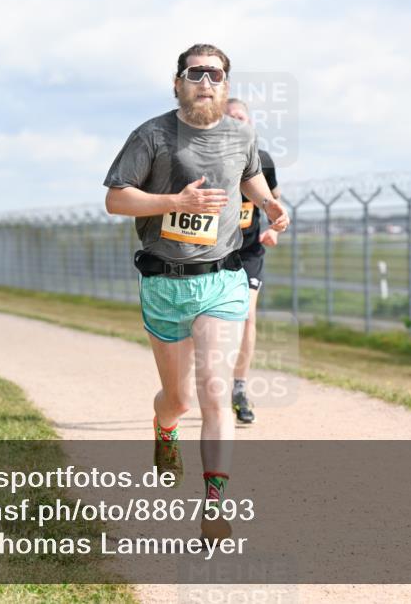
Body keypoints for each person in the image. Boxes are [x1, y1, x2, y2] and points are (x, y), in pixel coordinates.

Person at [103, 44, 289, 540]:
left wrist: (269, 204)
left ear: (226, 84)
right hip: (164, 281)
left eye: (215, 74)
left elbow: (249, 176)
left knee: (214, 391)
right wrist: (175, 201)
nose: (206, 81)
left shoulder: (242, 134)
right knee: (179, 399)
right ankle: (164, 427)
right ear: (178, 82)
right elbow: (116, 199)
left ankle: (215, 503)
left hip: (221, 278)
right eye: (196, 73)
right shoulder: (151, 135)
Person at [224, 98, 281, 424]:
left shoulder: (263, 161)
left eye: (240, 118)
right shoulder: (206, 159)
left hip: (247, 252)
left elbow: (275, 202)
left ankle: (239, 388)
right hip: (212, 252)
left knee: (246, 316)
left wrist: (274, 227)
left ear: (251, 124)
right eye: (229, 118)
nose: (236, 123)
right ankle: (207, 380)